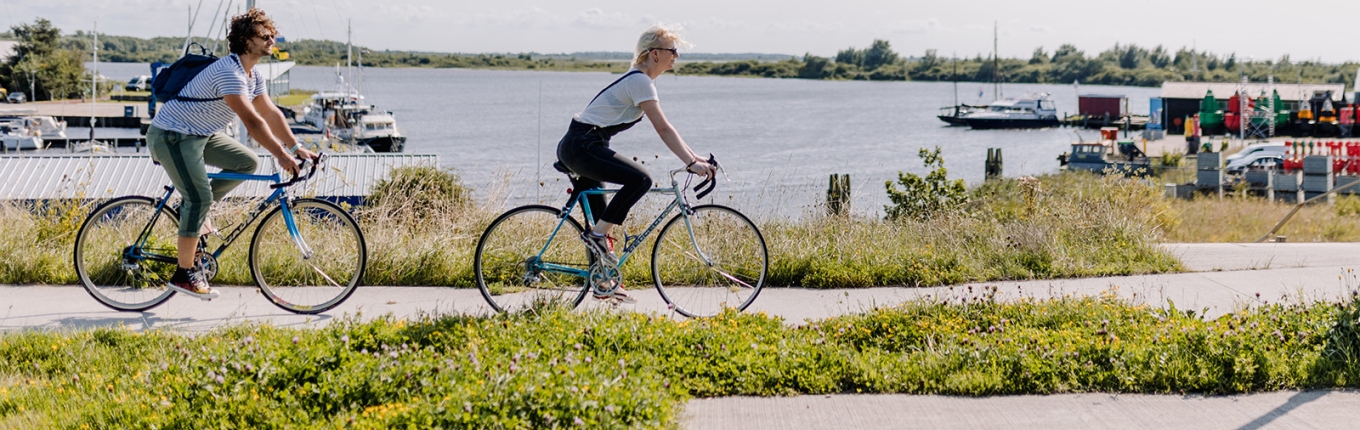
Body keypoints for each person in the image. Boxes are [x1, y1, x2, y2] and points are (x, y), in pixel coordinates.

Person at [147, 8, 317, 300]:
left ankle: (193, 213)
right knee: (198, 197)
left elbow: (270, 112)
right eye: (264, 35)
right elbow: (252, 121)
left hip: (201, 134)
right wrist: (279, 153)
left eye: (272, 34)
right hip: (173, 135)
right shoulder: (229, 72)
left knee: (246, 161)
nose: (271, 39)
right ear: (244, 40)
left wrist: (294, 146)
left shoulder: (252, 74)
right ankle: (184, 273)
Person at [556, 24, 717, 303]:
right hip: (582, 146)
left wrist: (696, 158)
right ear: (655, 54)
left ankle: (603, 283)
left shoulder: (641, 81)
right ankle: (597, 244)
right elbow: (664, 129)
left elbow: (669, 129)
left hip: (583, 145)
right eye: (673, 50)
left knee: (599, 219)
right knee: (641, 180)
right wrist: (690, 162)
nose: (676, 55)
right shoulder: (640, 81)